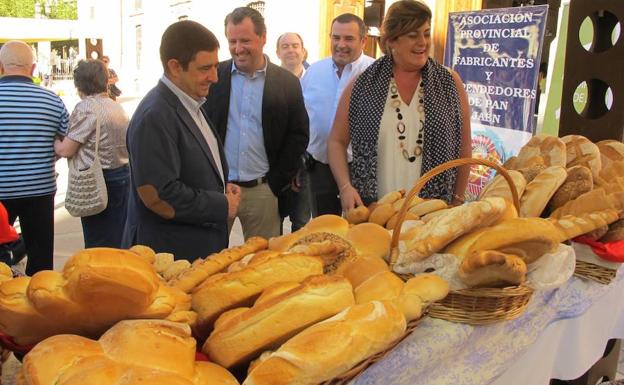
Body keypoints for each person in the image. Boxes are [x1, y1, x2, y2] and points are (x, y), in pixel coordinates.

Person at [328, 0, 471, 211]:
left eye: (426, 33)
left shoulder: (450, 83)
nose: (423, 42)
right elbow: (336, 142)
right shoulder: (362, 84)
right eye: (413, 35)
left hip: (433, 212)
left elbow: (464, 148)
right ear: (391, 41)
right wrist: (346, 186)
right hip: (376, 212)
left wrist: (458, 200)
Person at [122, 20, 240, 261]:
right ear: (175, 67)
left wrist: (220, 187)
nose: (215, 77)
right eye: (205, 68)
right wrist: (221, 204)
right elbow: (159, 195)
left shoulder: (189, 101)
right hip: (172, 256)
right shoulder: (155, 115)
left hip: (194, 249)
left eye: (216, 66)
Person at [203, 7, 309, 240]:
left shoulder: (287, 83)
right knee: (210, 260)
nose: (238, 49)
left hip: (264, 192)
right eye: (232, 41)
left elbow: (298, 135)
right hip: (218, 192)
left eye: (245, 40)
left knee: (262, 264)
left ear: (263, 38)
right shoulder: (213, 77)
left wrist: (275, 183)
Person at [0, 40, 69, 275]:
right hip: (39, 189)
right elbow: (67, 142)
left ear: (1, 67)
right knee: (40, 258)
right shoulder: (53, 101)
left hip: (1, 192)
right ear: (32, 68)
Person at [301, 13, 375, 217]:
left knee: (363, 230)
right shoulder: (314, 72)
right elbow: (302, 118)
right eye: (336, 37)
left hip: (363, 171)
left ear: (363, 40)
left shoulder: (377, 74)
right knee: (325, 228)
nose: (341, 44)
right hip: (321, 168)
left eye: (348, 39)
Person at [54, 59, 130, 248]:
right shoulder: (116, 106)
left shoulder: (87, 107)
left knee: (98, 241)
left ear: (79, 84)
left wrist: (54, 139)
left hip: (98, 180)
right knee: (117, 238)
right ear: (105, 81)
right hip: (122, 175)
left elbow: (66, 149)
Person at [275, 32, 311, 232]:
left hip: (309, 162)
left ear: (303, 51)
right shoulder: (269, 81)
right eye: (285, 46)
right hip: (279, 161)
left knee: (302, 221)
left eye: (295, 45)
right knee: (275, 220)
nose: (290, 50)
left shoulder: (315, 79)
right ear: (277, 52)